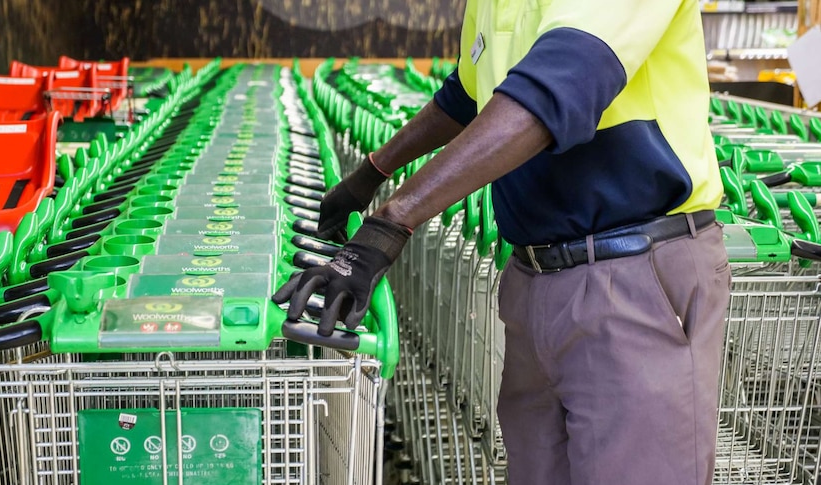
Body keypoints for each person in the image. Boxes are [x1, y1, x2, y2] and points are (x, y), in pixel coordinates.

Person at [272, 0, 732, 483]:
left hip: (634, 279)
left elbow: (556, 87)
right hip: (534, 278)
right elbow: (468, 98)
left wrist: (391, 222)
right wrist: (371, 172)